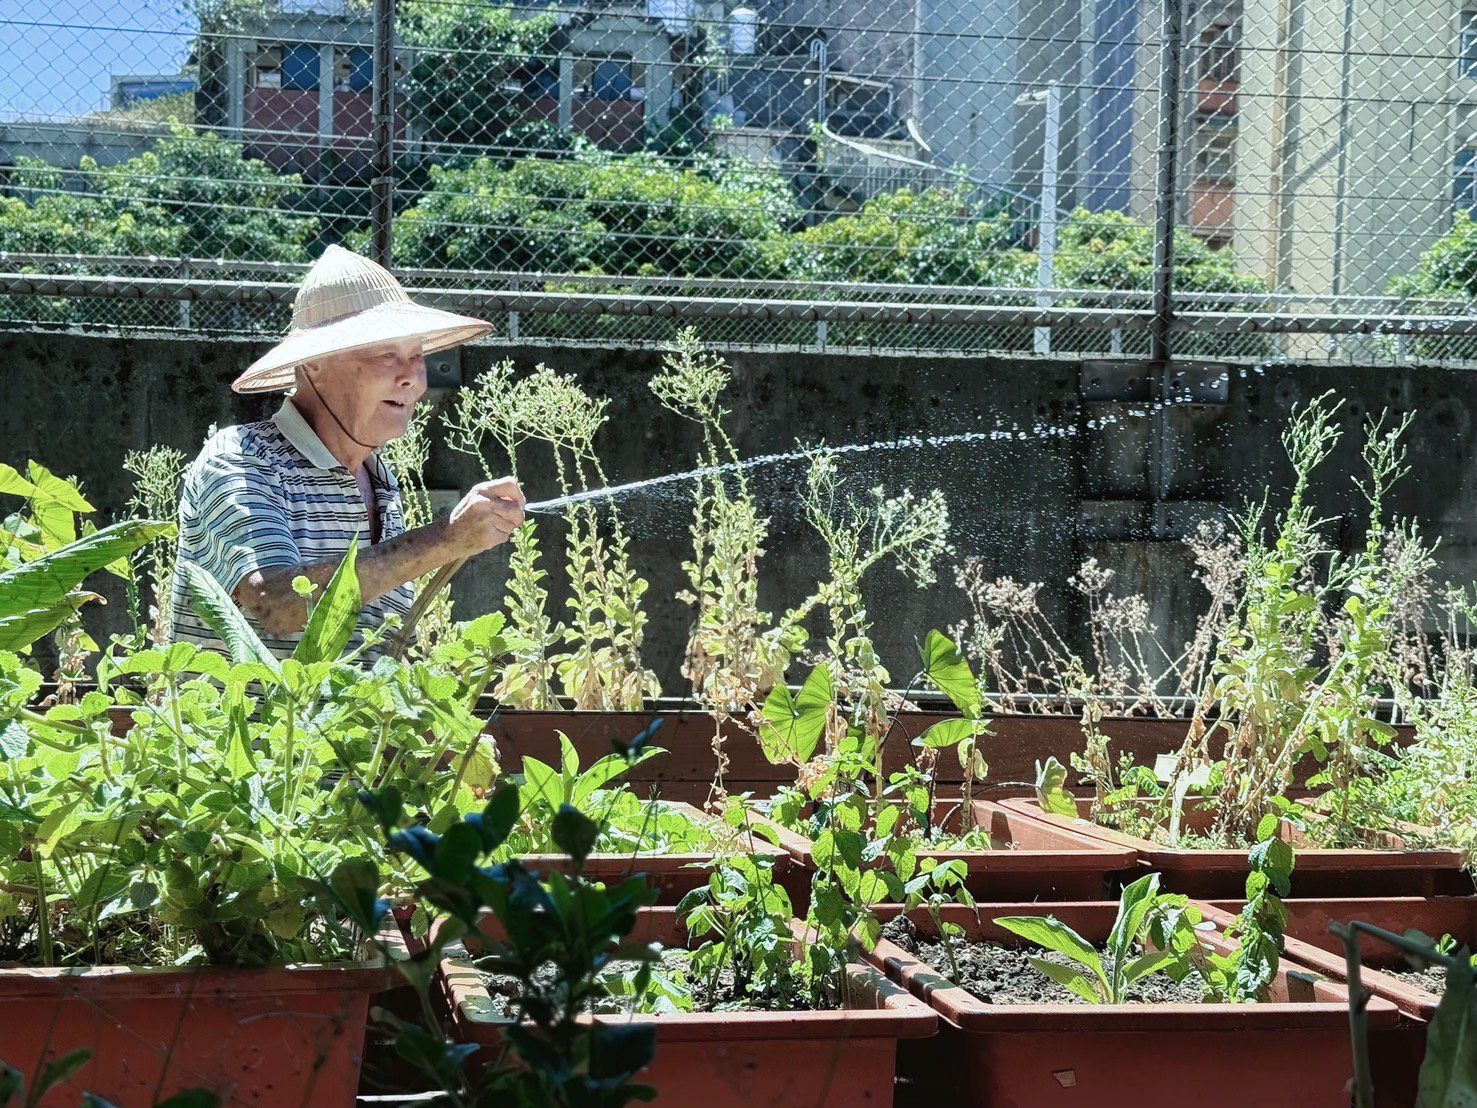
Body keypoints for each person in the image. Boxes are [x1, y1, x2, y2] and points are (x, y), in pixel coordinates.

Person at [169, 245, 525, 660]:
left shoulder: (379, 479)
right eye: (386, 354)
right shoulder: (244, 459)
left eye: (416, 356)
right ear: (315, 363)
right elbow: (276, 602)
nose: (412, 378)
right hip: (257, 727)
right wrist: (444, 539)